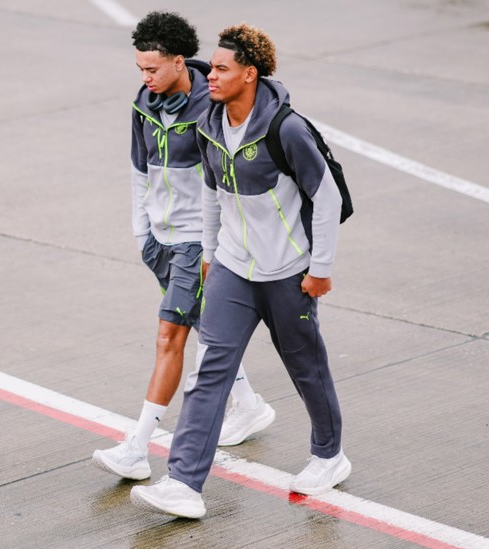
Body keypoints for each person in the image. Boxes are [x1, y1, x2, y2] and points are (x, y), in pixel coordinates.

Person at [130, 22, 349, 519]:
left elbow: (327, 196)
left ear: (249, 74)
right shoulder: (210, 123)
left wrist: (321, 268)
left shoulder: (285, 129)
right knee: (211, 370)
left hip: (287, 272)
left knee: (305, 366)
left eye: (222, 68)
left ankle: (329, 454)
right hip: (232, 266)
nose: (212, 75)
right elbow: (211, 193)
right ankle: (183, 483)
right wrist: (210, 254)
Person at [92, 12, 276, 482]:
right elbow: (139, 170)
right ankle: (249, 405)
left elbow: (225, 179)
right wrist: (142, 233)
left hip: (197, 242)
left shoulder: (209, 108)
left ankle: (137, 448)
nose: (146, 77)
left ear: (179, 62)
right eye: (140, 69)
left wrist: (216, 247)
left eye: (153, 68)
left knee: (169, 336)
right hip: (161, 239)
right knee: (202, 328)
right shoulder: (143, 103)